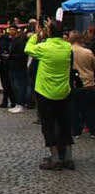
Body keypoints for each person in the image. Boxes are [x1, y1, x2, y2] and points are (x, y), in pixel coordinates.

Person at [25, 20, 73, 170]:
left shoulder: (44, 48)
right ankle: (68, 158)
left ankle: (55, 158)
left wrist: (37, 34)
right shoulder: (67, 47)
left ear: (49, 33)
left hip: (45, 92)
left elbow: (28, 48)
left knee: (48, 125)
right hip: (63, 91)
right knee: (64, 123)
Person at [70, 30, 95, 139]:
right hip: (88, 83)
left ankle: (76, 131)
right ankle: (93, 131)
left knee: (74, 109)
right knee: (90, 109)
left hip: (74, 83)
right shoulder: (87, 52)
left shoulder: (67, 51)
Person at [6, 25, 29, 113]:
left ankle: (21, 104)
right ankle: (17, 104)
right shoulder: (12, 41)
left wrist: (10, 56)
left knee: (20, 86)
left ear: (16, 31)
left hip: (19, 67)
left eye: (12, 30)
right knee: (14, 87)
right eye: (10, 30)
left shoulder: (20, 41)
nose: (11, 31)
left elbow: (22, 55)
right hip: (12, 66)